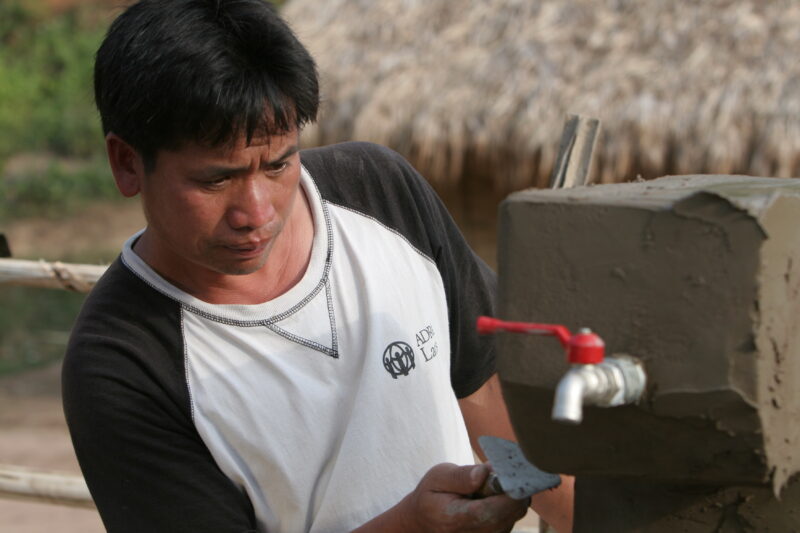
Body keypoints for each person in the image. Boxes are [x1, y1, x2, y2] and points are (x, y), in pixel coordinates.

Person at [62, 0, 574, 531]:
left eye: (279, 163)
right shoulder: (121, 364)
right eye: (216, 180)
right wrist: (411, 527)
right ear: (127, 163)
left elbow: (495, 404)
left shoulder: (381, 194)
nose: (257, 213)